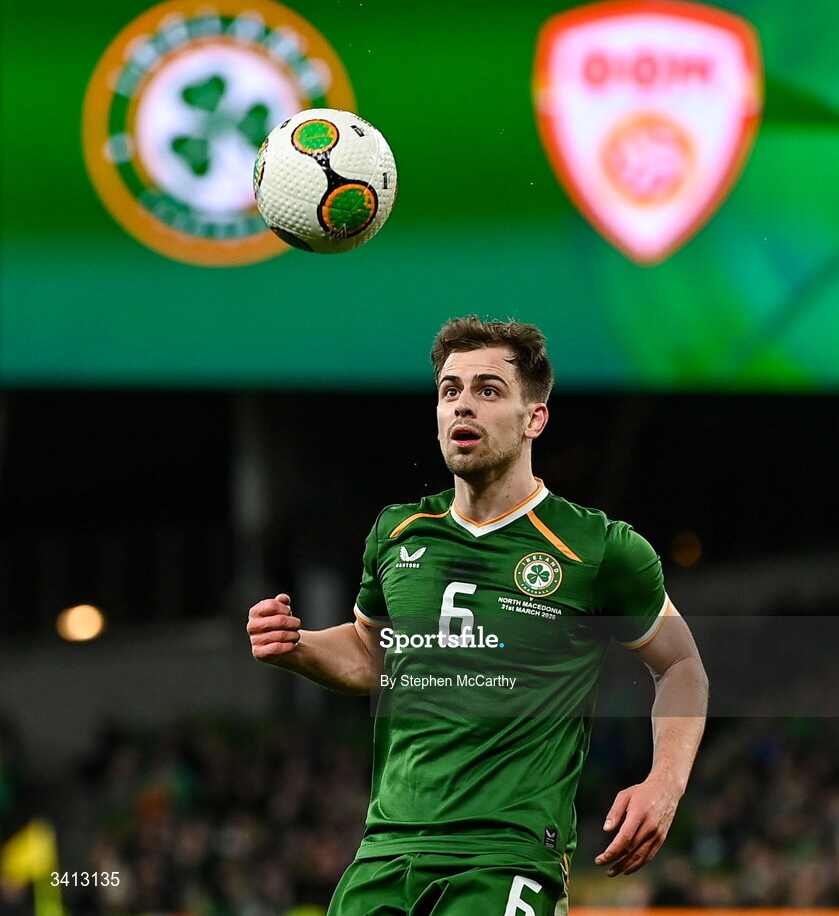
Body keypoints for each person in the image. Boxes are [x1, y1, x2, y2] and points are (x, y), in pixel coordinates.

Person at [247, 315, 708, 915]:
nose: (463, 406)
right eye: (450, 391)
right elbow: (373, 655)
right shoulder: (399, 532)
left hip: (507, 855)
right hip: (386, 849)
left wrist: (664, 784)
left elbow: (681, 665)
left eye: (488, 390)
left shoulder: (596, 547)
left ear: (534, 418)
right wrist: (299, 646)